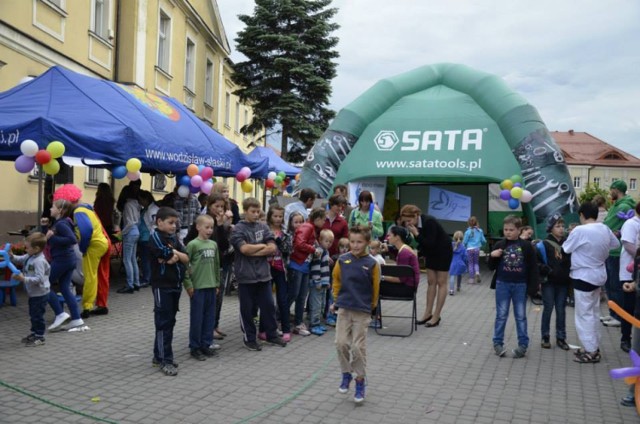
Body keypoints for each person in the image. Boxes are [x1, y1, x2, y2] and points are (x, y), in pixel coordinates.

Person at [563, 202, 619, 363]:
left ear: (581, 215)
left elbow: (566, 249)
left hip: (583, 275)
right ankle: (593, 345)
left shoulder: (580, 230)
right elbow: (616, 244)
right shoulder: (604, 228)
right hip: (599, 274)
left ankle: (591, 351)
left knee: (584, 315)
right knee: (594, 312)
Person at [331, 225, 381, 403]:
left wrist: (371, 307)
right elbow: (336, 280)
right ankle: (346, 373)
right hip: (344, 308)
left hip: (362, 310)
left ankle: (360, 380)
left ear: (367, 242)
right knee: (340, 343)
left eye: (359, 242)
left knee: (358, 348)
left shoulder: (372, 264)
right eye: (352, 241)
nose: (355, 245)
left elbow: (375, 288)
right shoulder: (342, 260)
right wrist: (336, 299)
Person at [230, 197, 287, 351]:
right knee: (247, 309)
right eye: (253, 211)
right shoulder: (238, 229)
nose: (256, 214)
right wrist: (262, 247)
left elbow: (272, 247)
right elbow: (243, 250)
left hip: (263, 274)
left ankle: (271, 334)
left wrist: (255, 249)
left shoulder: (263, 227)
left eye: (258, 211)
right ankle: (249, 338)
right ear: (245, 211)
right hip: (246, 275)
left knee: (268, 305)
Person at [53, 184, 110, 318]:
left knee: (90, 277)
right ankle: (100, 305)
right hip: (101, 243)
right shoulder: (87, 208)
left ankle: (87, 307)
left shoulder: (79, 211)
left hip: (94, 245)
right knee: (97, 275)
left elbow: (86, 231)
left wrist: (83, 247)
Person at [488, 215, 539, 358]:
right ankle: (497, 343)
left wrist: (533, 287)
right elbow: (491, 266)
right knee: (501, 315)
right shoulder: (500, 245)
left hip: (520, 285)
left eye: (511, 230)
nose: (508, 232)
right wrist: (492, 255)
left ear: (519, 230)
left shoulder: (526, 246)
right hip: (502, 283)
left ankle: (523, 345)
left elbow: (533, 267)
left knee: (521, 316)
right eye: (505, 229)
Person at [148, 207, 189, 376]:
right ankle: (166, 360)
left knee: (170, 321)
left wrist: (175, 254)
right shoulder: (155, 237)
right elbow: (165, 254)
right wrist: (171, 255)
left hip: (175, 285)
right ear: (159, 222)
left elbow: (185, 258)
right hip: (162, 286)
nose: (174, 226)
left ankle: (159, 355)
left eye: (176, 223)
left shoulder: (174, 238)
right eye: (170, 223)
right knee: (163, 321)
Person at [400, 204, 452, 328]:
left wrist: (416, 234)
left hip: (443, 250)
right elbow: (424, 244)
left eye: (409, 220)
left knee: (441, 282)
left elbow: (430, 242)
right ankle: (427, 313)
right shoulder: (415, 225)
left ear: (416, 215)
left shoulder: (429, 222)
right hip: (431, 253)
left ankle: (436, 315)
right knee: (430, 282)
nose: (408, 223)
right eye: (405, 221)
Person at [183, 214, 221, 361]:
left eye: (212, 227)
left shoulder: (213, 245)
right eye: (207, 227)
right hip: (198, 288)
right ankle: (195, 347)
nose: (210, 230)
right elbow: (186, 265)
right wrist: (188, 285)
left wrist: (217, 283)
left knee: (209, 318)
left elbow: (217, 265)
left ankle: (206, 344)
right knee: (197, 319)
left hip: (211, 287)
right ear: (198, 227)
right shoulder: (193, 245)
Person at [46, 199, 84, 331]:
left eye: (53, 207)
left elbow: (72, 239)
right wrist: (47, 228)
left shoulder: (61, 224)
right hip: (67, 259)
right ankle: (77, 319)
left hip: (62, 259)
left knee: (44, 284)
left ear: (60, 211)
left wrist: (52, 238)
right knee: (64, 288)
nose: (50, 209)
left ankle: (60, 314)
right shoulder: (61, 222)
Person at [602, 180, 636, 328]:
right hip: (612, 250)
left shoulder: (623, 206)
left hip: (616, 252)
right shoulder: (617, 205)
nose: (610, 192)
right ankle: (613, 313)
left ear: (617, 190)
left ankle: (618, 315)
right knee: (610, 284)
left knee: (615, 285)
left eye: (612, 189)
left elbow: (608, 224)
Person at [536, 214, 571, 351]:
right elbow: (537, 262)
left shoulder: (568, 243)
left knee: (561, 310)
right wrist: (547, 270)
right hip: (549, 282)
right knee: (548, 308)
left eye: (563, 226)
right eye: (557, 226)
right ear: (550, 228)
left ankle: (561, 337)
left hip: (563, 282)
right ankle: (545, 336)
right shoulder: (543, 244)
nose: (561, 229)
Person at [289, 208, 326, 336]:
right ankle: (280, 317)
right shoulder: (308, 227)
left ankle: (298, 323)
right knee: (294, 295)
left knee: (301, 296)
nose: (324, 223)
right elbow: (299, 243)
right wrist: (313, 250)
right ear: (318, 218)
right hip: (297, 265)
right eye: (323, 219)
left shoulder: (312, 228)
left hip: (304, 266)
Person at [11, 233, 50, 346]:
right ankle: (34, 333)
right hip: (33, 294)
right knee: (33, 314)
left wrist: (23, 279)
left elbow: (39, 279)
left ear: (36, 248)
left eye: (27, 247)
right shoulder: (30, 256)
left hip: (40, 294)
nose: (25, 249)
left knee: (37, 315)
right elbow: (20, 259)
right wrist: (12, 256)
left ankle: (40, 337)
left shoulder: (39, 261)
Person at [267, 204, 293, 342]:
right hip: (266, 269)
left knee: (282, 300)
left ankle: (286, 329)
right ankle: (266, 328)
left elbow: (288, 249)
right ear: (270, 216)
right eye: (275, 216)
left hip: (281, 269)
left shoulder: (285, 232)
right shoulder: (264, 230)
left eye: (280, 216)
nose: (277, 219)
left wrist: (277, 239)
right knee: (267, 300)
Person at [618, 202, 640, 352]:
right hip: (629, 272)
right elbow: (628, 244)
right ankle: (625, 338)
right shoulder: (631, 223)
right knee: (629, 307)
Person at [382, 226, 420, 296]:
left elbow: (401, 279)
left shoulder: (404, 253)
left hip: (407, 288)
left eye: (389, 235)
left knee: (375, 284)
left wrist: (381, 277)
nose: (387, 238)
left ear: (397, 237)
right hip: (410, 286)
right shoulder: (405, 248)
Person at [309, 229, 334, 335]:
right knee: (316, 304)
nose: (328, 244)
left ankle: (318, 323)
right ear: (320, 240)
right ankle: (313, 324)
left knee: (322, 304)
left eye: (330, 242)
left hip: (323, 283)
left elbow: (325, 270)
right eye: (326, 241)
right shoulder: (319, 251)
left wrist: (327, 282)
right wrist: (317, 281)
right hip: (317, 283)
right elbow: (315, 268)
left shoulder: (326, 252)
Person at [117, 187, 141, 293]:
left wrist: (121, 233)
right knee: (133, 259)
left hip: (130, 233)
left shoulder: (127, 205)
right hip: (136, 232)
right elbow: (137, 221)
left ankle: (129, 284)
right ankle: (136, 283)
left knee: (127, 259)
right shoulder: (137, 205)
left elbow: (129, 222)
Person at [138, 190, 159, 288]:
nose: (140, 202)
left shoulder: (153, 210)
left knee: (146, 259)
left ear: (146, 199)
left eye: (141, 200)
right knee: (145, 259)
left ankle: (147, 278)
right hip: (144, 237)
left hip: (148, 237)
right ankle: (148, 277)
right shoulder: (148, 209)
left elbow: (155, 224)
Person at [322, 194, 349, 258]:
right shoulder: (321, 218)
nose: (340, 208)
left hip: (336, 256)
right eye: (337, 206)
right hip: (320, 254)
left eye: (341, 206)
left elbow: (345, 240)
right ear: (331, 205)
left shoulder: (343, 222)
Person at [463, 216, 486, 284]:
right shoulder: (480, 230)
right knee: (476, 263)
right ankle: (477, 272)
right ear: (476, 222)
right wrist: (482, 243)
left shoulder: (467, 232)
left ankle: (471, 279)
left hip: (469, 249)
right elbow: (484, 240)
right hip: (477, 249)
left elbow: (464, 242)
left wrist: (464, 246)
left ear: (469, 223)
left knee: (470, 264)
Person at [448, 231, 467, 295]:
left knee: (452, 276)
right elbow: (465, 256)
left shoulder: (451, 245)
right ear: (462, 238)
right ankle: (458, 287)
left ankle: (451, 290)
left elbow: (449, 253)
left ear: (454, 237)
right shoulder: (463, 247)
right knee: (459, 274)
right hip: (460, 263)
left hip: (452, 263)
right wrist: (465, 262)